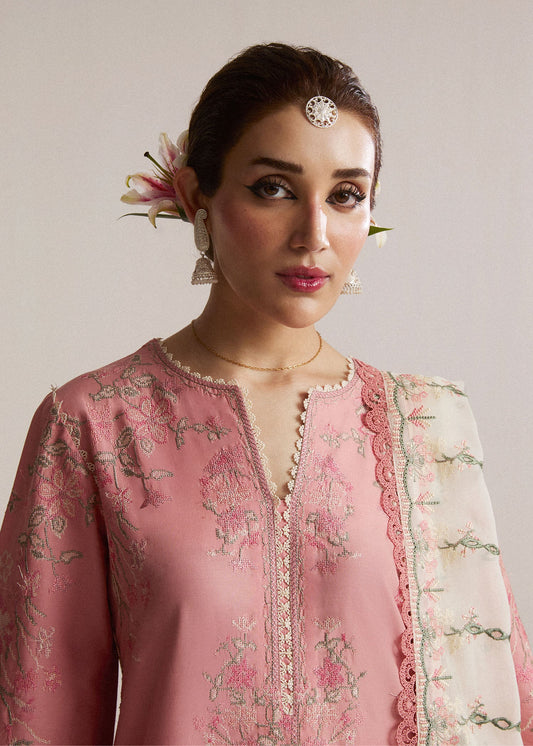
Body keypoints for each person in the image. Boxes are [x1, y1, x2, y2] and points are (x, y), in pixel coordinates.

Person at [0, 42, 531, 746]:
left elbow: (500, 700)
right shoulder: (94, 425)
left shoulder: (423, 429)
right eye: (274, 188)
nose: (314, 234)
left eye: (345, 195)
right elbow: (38, 715)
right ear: (197, 196)